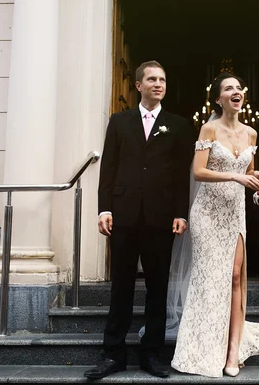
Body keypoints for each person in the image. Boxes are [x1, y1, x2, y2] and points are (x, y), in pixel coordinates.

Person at [84, 60, 194, 380]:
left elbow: (180, 174)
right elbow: (109, 168)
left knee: (158, 288)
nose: (158, 84)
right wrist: (104, 209)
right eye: (152, 79)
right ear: (138, 85)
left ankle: (152, 354)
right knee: (121, 286)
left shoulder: (178, 124)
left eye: (162, 79)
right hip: (124, 215)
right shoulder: (119, 122)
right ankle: (113, 354)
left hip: (161, 217)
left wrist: (180, 212)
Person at [170, 72, 259, 378]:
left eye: (238, 87)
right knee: (209, 279)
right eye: (228, 88)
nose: (235, 91)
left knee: (236, 277)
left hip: (235, 213)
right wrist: (235, 176)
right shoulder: (209, 128)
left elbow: (250, 172)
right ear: (218, 99)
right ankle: (203, 347)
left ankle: (232, 352)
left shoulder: (251, 134)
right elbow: (198, 171)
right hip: (207, 212)